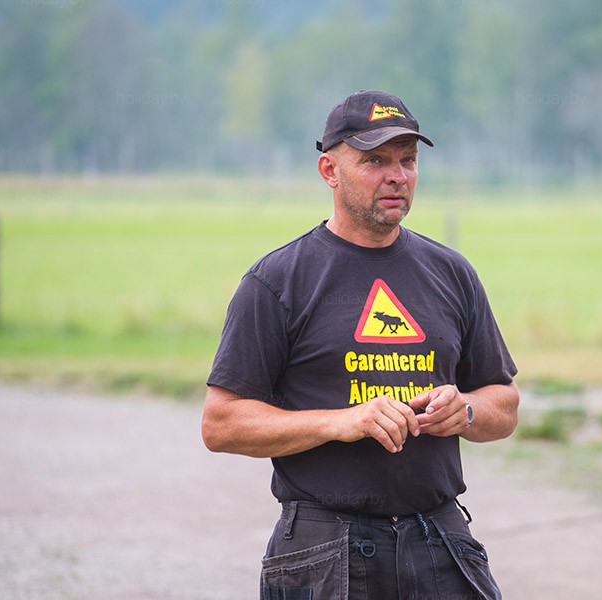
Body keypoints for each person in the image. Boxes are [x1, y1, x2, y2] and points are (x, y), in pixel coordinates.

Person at [202, 89, 518, 600]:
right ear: (329, 170)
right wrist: (342, 422)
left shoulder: (452, 272)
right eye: (375, 161)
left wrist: (465, 410)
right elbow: (221, 424)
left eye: (407, 160)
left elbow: (504, 404)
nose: (397, 176)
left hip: (441, 538)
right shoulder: (278, 281)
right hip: (324, 546)